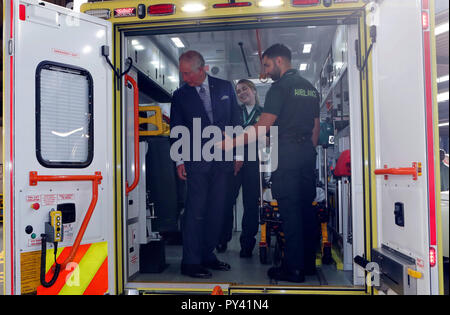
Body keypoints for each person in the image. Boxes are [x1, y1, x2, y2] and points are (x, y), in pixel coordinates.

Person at [216, 43, 320, 283]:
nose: (265, 70)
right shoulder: (310, 88)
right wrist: (306, 151)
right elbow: (315, 129)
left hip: (287, 153)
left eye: (267, 64)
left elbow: (262, 127)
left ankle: (293, 269)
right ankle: (308, 265)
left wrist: (230, 144)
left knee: (290, 210)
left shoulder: (280, 88)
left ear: (279, 61)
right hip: (306, 154)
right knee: (307, 209)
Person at [170, 50, 241, 279]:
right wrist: (179, 160)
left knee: (217, 210)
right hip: (196, 160)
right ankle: (190, 262)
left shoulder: (225, 87)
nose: (184, 78)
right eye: (182, 73)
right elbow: (177, 128)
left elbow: (235, 120)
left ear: (202, 69)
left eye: (188, 73)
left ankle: (207, 255)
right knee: (195, 211)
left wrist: (238, 151)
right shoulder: (180, 95)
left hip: (222, 160)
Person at [217, 79, 263, 258]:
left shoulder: (264, 113)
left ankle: (247, 245)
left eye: (245, 89)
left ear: (253, 90)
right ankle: (222, 238)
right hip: (233, 160)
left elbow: (270, 137)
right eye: (238, 91)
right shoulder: (235, 111)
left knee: (251, 203)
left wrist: (263, 139)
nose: (242, 93)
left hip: (253, 161)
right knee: (227, 200)